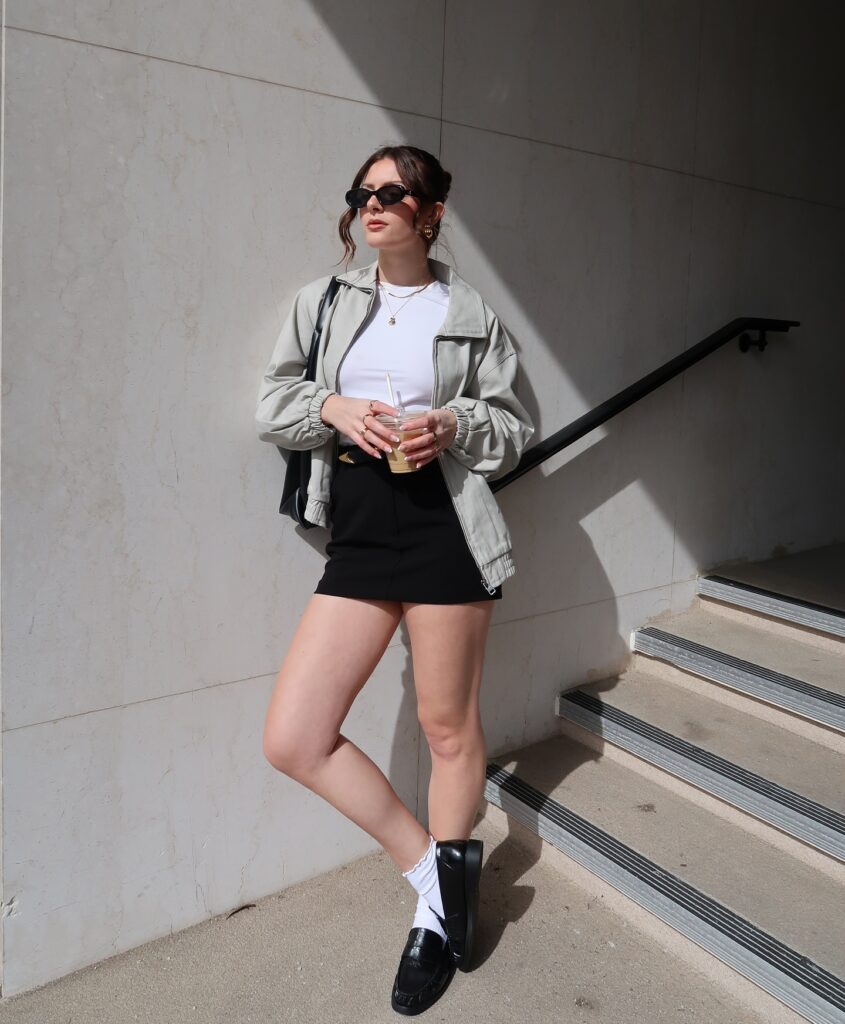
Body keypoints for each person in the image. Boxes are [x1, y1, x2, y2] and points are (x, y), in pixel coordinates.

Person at [255, 144, 534, 1015]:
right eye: (361, 194)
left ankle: (431, 926)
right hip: (362, 532)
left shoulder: (470, 310)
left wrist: (451, 423)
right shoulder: (326, 301)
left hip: (446, 530)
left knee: (446, 729)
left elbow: (513, 427)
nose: (371, 206)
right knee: (294, 736)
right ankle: (438, 876)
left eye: (391, 193)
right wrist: (330, 406)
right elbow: (273, 402)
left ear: (430, 211)